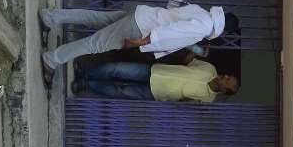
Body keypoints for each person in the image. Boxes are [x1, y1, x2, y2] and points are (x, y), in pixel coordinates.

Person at [39, 0, 239, 83]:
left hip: (142, 15)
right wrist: (140, 42)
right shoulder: (204, 28)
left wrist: (196, 49)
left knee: (95, 18)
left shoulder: (202, 13)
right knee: (95, 45)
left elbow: (173, 10)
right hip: (141, 29)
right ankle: (51, 59)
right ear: (222, 30)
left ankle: (50, 17)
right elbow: (170, 32)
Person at [72, 58, 238, 103]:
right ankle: (85, 73)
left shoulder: (207, 101)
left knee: (119, 91)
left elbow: (184, 107)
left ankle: (86, 84)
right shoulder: (210, 68)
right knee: (118, 69)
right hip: (156, 71)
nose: (225, 76)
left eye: (227, 80)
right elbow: (188, 62)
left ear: (224, 91)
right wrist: (194, 51)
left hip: (156, 93)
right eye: (228, 76)